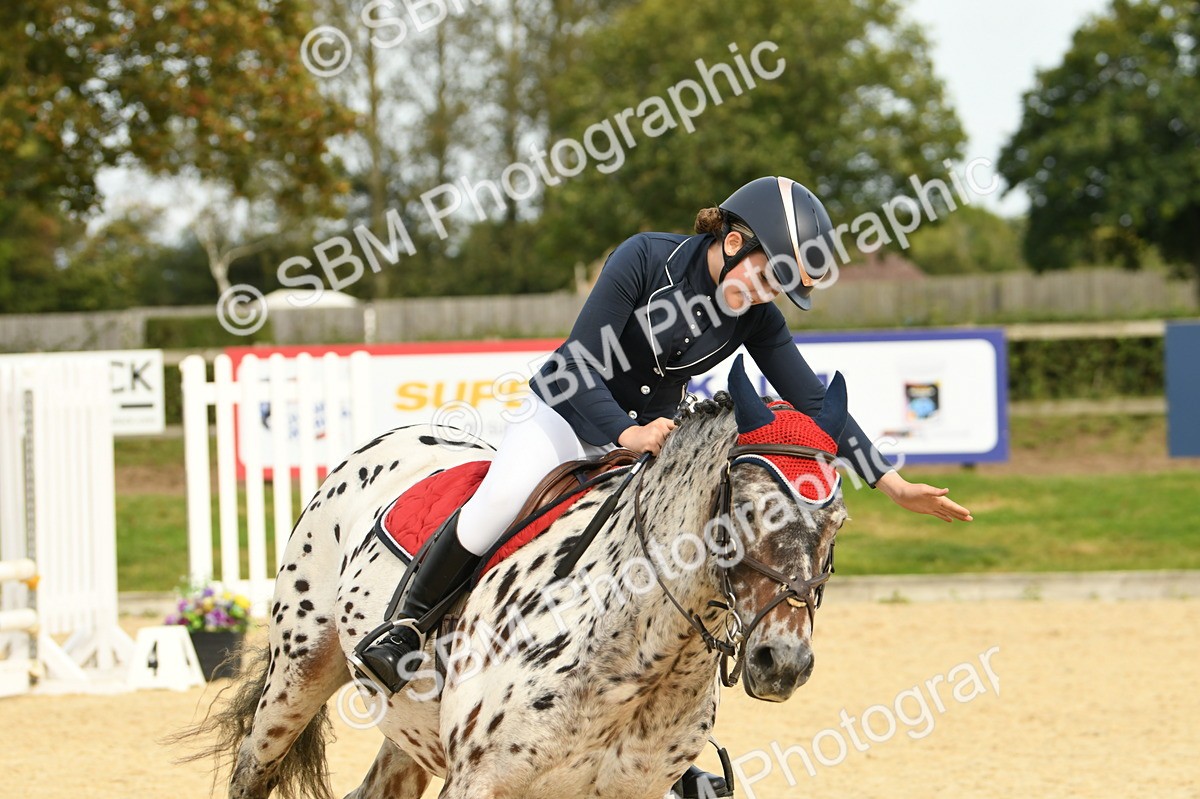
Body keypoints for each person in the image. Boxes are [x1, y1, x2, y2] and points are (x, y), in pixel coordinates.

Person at [355, 176, 972, 797]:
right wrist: (625, 432)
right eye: (766, 277)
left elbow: (813, 401)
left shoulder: (755, 315)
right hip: (567, 417)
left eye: (778, 288)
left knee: (678, 569)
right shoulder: (645, 259)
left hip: (651, 442)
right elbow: (578, 362)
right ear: (734, 241)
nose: (767, 295)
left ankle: (654, 745)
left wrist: (890, 482)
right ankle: (406, 627)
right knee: (496, 504)